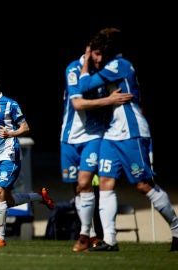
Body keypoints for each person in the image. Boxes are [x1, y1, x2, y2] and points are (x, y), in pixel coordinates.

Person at [78, 27, 178, 252]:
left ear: (109, 52)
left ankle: (176, 228)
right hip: (113, 134)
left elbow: (83, 86)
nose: (96, 58)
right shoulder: (110, 66)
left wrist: (85, 58)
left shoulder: (119, 65)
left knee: (143, 185)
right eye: (94, 53)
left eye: (98, 53)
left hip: (132, 132)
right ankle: (110, 241)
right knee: (105, 182)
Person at [60, 47, 133, 251]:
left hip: (94, 136)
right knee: (77, 188)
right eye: (96, 54)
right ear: (89, 52)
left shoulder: (106, 71)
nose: (100, 59)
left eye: (103, 55)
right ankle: (91, 235)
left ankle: (85, 235)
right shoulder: (74, 69)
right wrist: (109, 101)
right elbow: (77, 104)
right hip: (69, 137)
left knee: (85, 183)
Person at [0, 70, 54, 247]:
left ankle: (0, 238)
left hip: (10, 154)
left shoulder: (10, 104)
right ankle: (39, 196)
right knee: (6, 200)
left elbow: (25, 128)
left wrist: (10, 133)